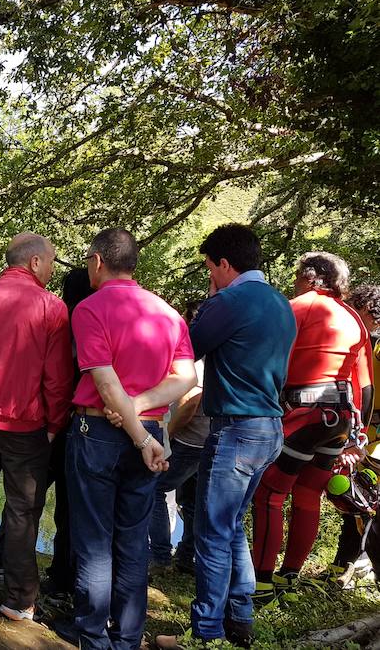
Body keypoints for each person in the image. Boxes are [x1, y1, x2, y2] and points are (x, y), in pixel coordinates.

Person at [51, 228, 197, 650]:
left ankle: (93, 635)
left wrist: (133, 427)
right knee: (132, 538)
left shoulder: (90, 309)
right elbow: (185, 377)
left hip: (98, 432)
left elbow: (106, 383)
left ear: (97, 261)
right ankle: (128, 636)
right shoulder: (169, 313)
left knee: (94, 539)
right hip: (149, 431)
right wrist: (144, 419)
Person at [156, 224, 296, 650]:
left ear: (224, 263)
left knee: (213, 532)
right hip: (270, 428)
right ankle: (241, 618)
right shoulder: (280, 303)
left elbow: (184, 352)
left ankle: (207, 633)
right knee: (233, 527)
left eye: (210, 269)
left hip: (236, 430)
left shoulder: (230, 301)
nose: (209, 278)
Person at [0, 232, 75, 622]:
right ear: (35, 262)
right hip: (24, 424)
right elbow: (57, 377)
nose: (54, 268)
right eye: (52, 261)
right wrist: (55, 424)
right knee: (23, 510)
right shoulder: (50, 307)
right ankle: (18, 600)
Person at [250, 253, 373, 605]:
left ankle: (261, 584)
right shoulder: (353, 318)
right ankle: (289, 576)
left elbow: (270, 364)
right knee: (307, 496)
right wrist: (357, 438)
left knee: (270, 495)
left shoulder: (295, 307)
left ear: (308, 277)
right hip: (340, 420)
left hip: (303, 415)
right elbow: (364, 386)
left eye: (296, 275)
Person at [0, 267, 95, 598]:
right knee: (70, 507)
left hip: (48, 425)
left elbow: (47, 376)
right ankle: (63, 577)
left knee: (24, 498)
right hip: (82, 425)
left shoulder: (61, 321)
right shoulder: (91, 323)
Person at [149, 300, 207, 575]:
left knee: (155, 489)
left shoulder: (196, 356)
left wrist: (167, 435)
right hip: (206, 439)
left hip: (188, 439)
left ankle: (160, 555)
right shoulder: (215, 353)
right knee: (193, 500)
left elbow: (190, 401)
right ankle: (186, 557)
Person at [328, 283, 380, 586]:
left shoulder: (368, 344)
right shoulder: (362, 343)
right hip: (364, 435)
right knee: (355, 501)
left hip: (369, 440)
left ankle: (352, 565)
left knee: (364, 504)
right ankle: (343, 565)